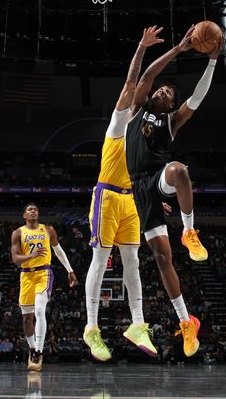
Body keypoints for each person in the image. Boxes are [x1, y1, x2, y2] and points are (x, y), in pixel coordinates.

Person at [125, 25, 220, 357]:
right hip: (137, 189)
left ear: (171, 105)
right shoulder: (137, 108)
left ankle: (190, 232)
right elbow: (148, 74)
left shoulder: (171, 121)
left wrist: (211, 61)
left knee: (180, 170)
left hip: (157, 177)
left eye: (169, 93)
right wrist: (179, 49)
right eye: (163, 89)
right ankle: (186, 323)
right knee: (162, 258)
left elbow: (197, 98)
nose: (164, 91)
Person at [83, 26, 163, 361]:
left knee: (132, 261)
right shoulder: (119, 124)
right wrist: (142, 47)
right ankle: (91, 328)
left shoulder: (140, 145)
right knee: (101, 260)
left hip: (130, 200)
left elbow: (142, 178)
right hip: (106, 197)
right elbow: (134, 82)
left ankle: (138, 324)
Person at [11, 203, 78, 371]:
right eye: (29, 209)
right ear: (24, 215)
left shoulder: (48, 230)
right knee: (27, 318)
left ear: (38, 214)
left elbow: (59, 251)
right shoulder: (18, 233)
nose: (33, 211)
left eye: (35, 209)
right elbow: (15, 259)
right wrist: (31, 255)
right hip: (26, 275)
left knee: (40, 311)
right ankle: (32, 348)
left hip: (43, 273)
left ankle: (39, 351)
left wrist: (69, 270)